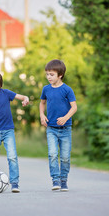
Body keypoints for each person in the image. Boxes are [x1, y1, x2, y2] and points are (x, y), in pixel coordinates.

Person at [39, 59, 77, 192]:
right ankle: (55, 179)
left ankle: (63, 180)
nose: (48, 77)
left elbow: (74, 107)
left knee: (65, 157)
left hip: (65, 129)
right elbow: (42, 103)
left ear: (60, 75)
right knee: (53, 154)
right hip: (51, 129)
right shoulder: (46, 89)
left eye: (51, 74)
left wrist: (66, 117)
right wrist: (42, 115)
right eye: (47, 74)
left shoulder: (67, 89)